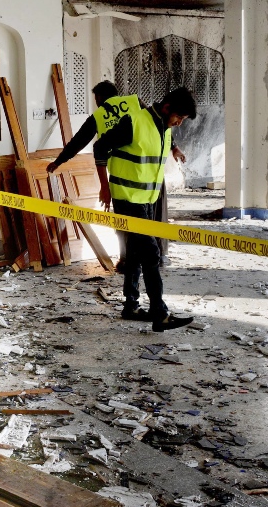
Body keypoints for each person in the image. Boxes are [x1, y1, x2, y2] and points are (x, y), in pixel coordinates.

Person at [47, 82, 184, 270]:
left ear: (100, 98)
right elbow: (160, 124)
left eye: (97, 100)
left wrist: (58, 161)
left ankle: (129, 261)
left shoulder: (99, 115)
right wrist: (174, 147)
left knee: (124, 224)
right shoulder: (135, 101)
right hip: (152, 177)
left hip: (124, 180)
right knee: (155, 220)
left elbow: (78, 142)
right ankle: (157, 257)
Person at [94, 87, 197, 331]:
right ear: (166, 108)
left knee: (134, 252)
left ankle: (131, 305)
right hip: (128, 198)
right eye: (178, 118)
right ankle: (160, 314)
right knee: (151, 254)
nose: (178, 123)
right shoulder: (134, 122)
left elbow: (163, 140)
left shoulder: (162, 127)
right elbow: (100, 147)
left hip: (146, 199)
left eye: (182, 121)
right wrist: (104, 187)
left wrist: (175, 149)